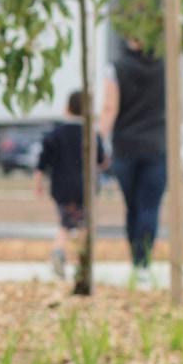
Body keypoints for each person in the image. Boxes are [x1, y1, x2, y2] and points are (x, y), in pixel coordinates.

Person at [100, 38, 166, 280]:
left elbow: (109, 108)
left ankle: (137, 260)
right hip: (157, 146)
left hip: (125, 147)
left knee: (133, 207)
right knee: (149, 207)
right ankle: (143, 262)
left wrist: (99, 141)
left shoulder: (117, 67)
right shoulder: (165, 66)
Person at [33, 90, 105, 279]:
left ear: (67, 108)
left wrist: (38, 183)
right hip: (85, 188)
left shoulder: (55, 134)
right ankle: (83, 261)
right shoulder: (91, 134)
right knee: (84, 225)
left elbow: (42, 163)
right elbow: (101, 160)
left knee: (65, 223)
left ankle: (58, 251)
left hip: (61, 187)